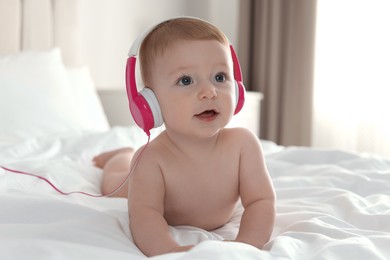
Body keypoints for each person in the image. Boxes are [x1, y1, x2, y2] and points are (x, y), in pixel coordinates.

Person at [93, 17, 275, 257]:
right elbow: (144, 216)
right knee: (114, 181)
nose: (209, 92)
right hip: (131, 181)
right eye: (186, 80)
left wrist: (246, 245)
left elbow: (261, 201)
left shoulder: (244, 145)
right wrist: (169, 250)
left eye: (220, 77)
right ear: (151, 102)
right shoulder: (151, 159)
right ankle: (120, 155)